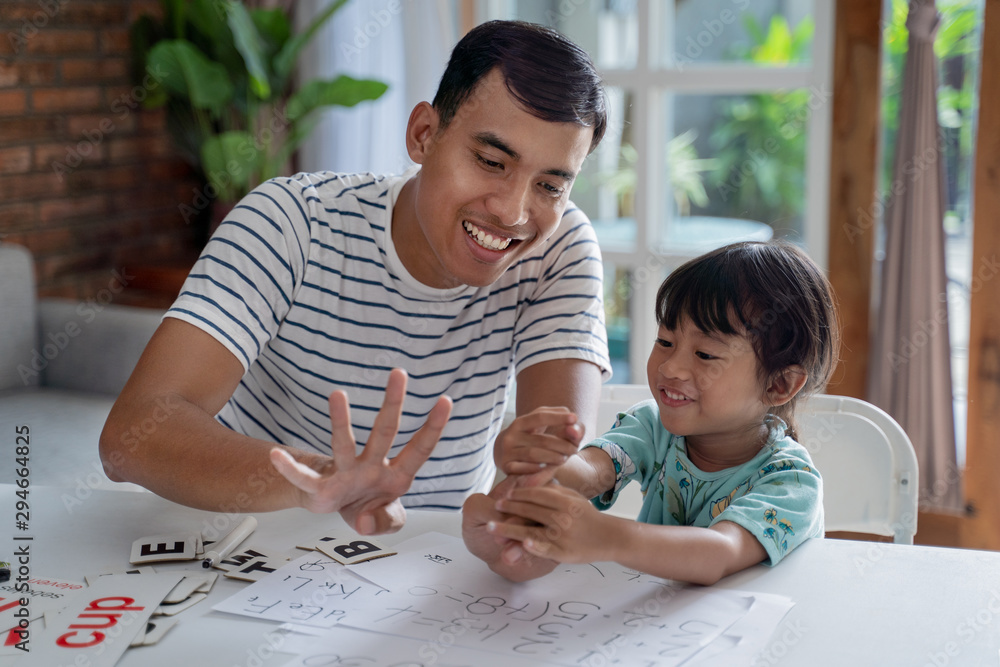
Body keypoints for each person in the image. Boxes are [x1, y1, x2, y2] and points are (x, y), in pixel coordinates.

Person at [99, 20, 611, 535]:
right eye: (491, 161)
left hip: (433, 572)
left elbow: (551, 469)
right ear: (423, 135)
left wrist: (538, 485)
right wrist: (320, 481)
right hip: (251, 547)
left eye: (549, 185)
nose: (513, 212)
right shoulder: (292, 222)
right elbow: (132, 437)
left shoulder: (559, 249)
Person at [463, 240, 840, 585]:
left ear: (779, 385)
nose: (671, 368)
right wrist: (541, 460)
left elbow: (719, 553)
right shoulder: (653, 427)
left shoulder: (792, 482)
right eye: (665, 341)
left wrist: (608, 537)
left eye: (705, 354)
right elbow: (590, 472)